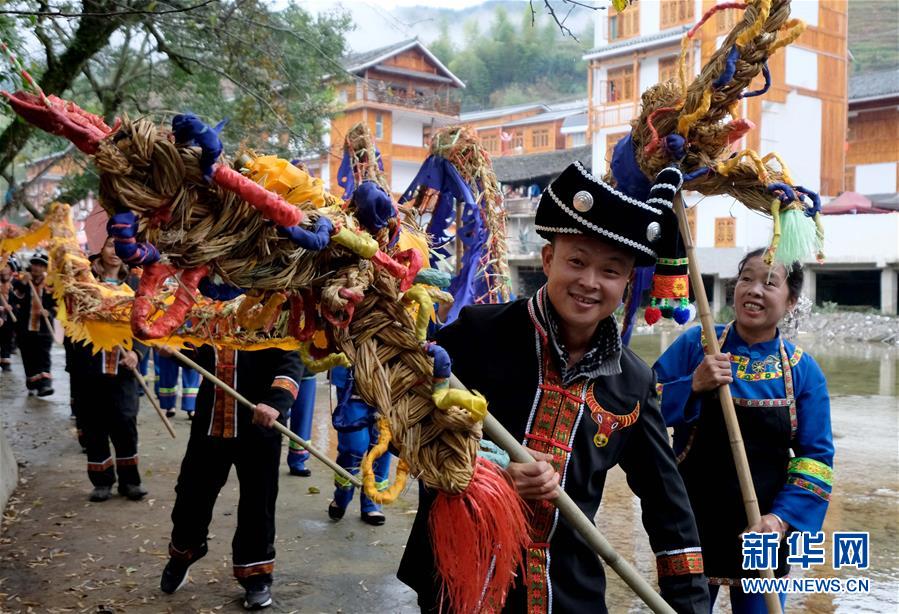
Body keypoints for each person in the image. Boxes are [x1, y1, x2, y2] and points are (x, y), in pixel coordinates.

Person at [399, 163, 709, 613]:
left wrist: (691, 605)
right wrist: (490, 475)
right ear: (548, 260)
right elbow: (402, 428)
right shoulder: (475, 335)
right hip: (459, 580)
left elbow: (669, 509)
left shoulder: (633, 383)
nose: (589, 282)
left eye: (610, 271)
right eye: (576, 261)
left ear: (625, 285)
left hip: (566, 593)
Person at [653, 248, 833, 613]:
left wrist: (780, 520)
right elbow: (638, 408)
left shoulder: (803, 372)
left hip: (761, 531)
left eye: (769, 283)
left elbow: (816, 461)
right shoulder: (696, 345)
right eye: (746, 279)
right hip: (691, 522)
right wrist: (692, 384)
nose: (754, 290)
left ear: (791, 300)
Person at [160, 346, 303, 610]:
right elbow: (196, 353)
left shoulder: (275, 311)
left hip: (259, 425)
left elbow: (292, 362)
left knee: (258, 503)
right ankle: (184, 552)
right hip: (210, 423)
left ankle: (256, 575)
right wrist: (175, 349)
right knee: (191, 494)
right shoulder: (210, 308)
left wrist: (275, 402)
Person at [67, 237, 148, 501]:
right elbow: (70, 320)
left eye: (121, 247)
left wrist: (137, 352)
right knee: (93, 424)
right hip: (88, 366)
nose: (115, 252)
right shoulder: (82, 283)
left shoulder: (135, 285)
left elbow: (143, 325)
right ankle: (101, 481)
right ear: (100, 249)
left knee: (125, 421)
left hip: (122, 369)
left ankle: (130, 481)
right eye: (111, 246)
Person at [326, 365, 390, 526]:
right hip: (352, 378)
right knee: (353, 446)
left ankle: (372, 502)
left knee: (382, 445)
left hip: (390, 381)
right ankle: (342, 495)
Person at [10, 251, 56, 396]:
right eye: (34, 264)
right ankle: (32, 381)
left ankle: (44, 385)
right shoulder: (22, 282)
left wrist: (49, 312)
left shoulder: (51, 284)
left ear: (45, 268)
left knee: (43, 355)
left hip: (43, 328)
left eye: (40, 265)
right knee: (29, 356)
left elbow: (57, 305)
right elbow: (14, 299)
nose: (37, 268)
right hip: (25, 328)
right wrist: (23, 284)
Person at [285, 366, 317, 477]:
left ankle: (298, 460)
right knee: (277, 414)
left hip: (307, 370)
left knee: (303, 416)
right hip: (279, 370)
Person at [0, 256, 19, 372]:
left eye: (6, 266)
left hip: (11, 317)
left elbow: (20, 300)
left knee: (7, 336)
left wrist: (13, 307)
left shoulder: (16, 284)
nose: (3, 269)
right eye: (2, 266)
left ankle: (5, 358)